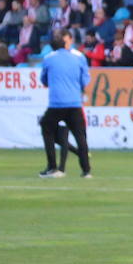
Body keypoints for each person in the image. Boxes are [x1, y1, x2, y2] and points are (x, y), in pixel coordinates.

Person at [38, 28, 92, 179]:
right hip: (74, 102)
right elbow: (85, 80)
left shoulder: (49, 58)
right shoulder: (79, 57)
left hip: (57, 103)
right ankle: (86, 170)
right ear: (67, 42)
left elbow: (44, 80)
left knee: (46, 127)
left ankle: (53, 167)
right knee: (81, 137)